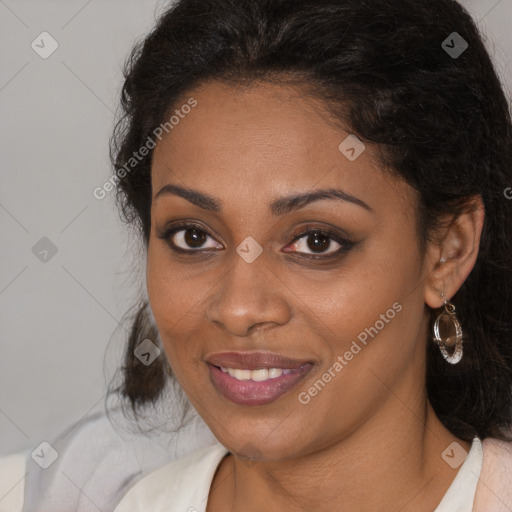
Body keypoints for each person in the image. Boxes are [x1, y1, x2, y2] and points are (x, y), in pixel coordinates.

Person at [3, 0, 511, 510]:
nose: (239, 309)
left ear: (449, 250)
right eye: (193, 237)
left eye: (316, 241)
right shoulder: (70, 495)